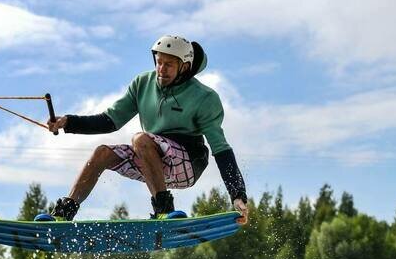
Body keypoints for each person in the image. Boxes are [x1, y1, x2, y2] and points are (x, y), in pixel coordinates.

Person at [44, 35, 249, 224]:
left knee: (140, 139)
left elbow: (221, 148)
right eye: (159, 62)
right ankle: (64, 214)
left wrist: (237, 194)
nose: (161, 69)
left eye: (169, 65)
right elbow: (109, 121)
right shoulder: (143, 83)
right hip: (153, 162)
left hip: (188, 163)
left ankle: (163, 210)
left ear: (184, 67)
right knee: (102, 153)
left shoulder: (205, 97)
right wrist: (68, 122)